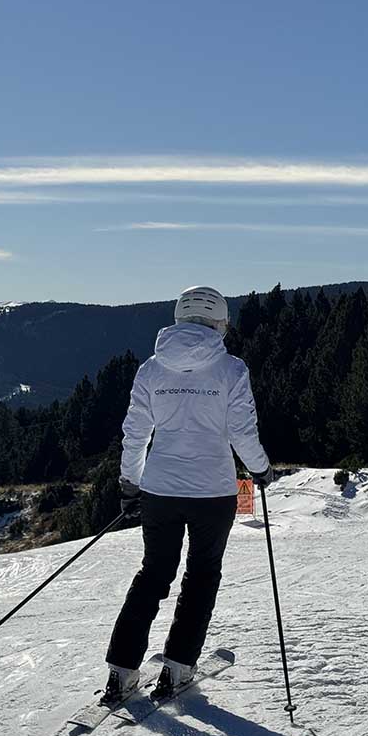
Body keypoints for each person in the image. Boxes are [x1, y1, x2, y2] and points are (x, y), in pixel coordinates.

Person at [102, 285, 273, 703]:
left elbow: (136, 433)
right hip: (212, 493)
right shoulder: (231, 369)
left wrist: (130, 483)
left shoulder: (151, 370)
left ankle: (122, 671)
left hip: (160, 489)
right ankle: (178, 666)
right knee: (201, 575)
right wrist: (260, 468)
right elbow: (241, 431)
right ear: (220, 322)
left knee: (153, 574)